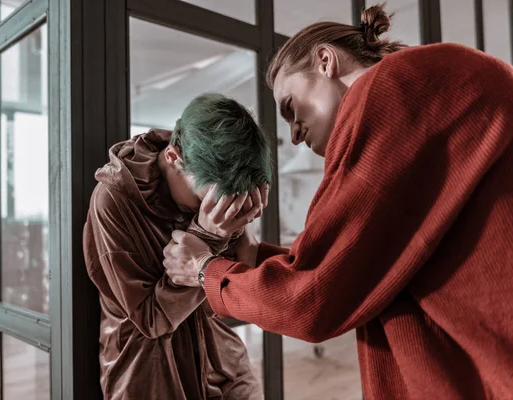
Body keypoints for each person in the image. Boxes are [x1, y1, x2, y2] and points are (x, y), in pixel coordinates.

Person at [162, 4, 513, 399]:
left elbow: (314, 301)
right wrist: (256, 257)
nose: (293, 135)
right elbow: (365, 265)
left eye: (290, 107)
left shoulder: (388, 93)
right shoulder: (451, 78)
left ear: (326, 61)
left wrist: (204, 269)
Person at [82, 92, 271, 399]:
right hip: (149, 375)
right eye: (203, 201)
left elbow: (241, 271)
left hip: (223, 362)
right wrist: (209, 237)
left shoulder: (214, 169)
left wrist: (238, 228)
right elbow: (151, 319)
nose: (209, 210)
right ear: (173, 158)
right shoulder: (113, 200)